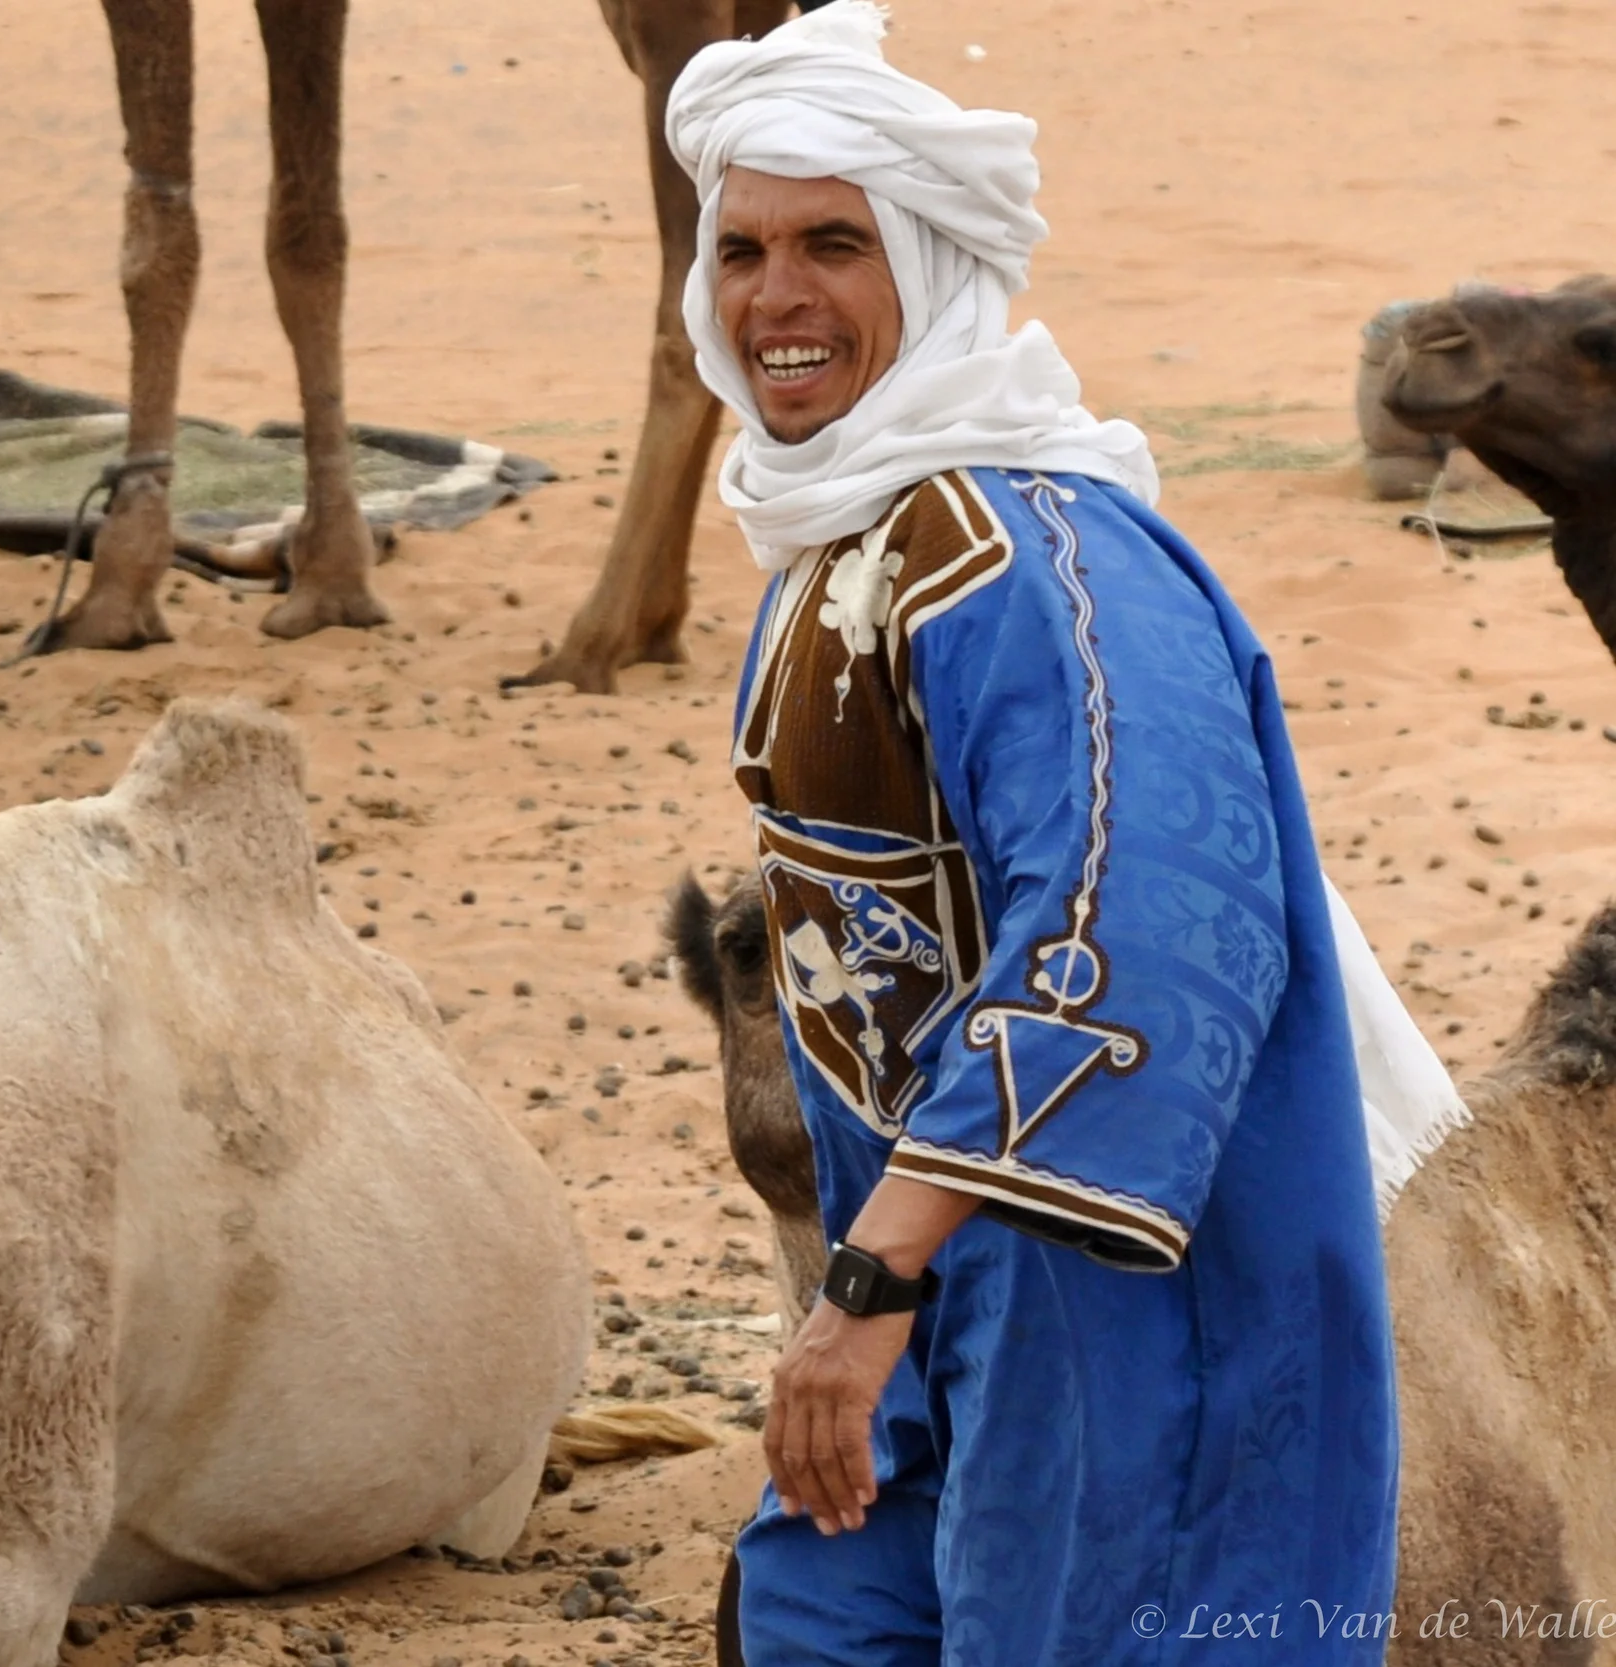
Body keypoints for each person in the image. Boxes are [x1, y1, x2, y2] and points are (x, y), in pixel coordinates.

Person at [671, 6, 1402, 1661]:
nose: (776, 297)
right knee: (816, 1618)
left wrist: (864, 1292)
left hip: (1115, 1310)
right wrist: (879, 1292)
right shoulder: (841, 545)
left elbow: (1124, 944)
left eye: (832, 246)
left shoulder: (1037, 560)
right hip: (932, 1296)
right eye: (741, 251)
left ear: (928, 268)